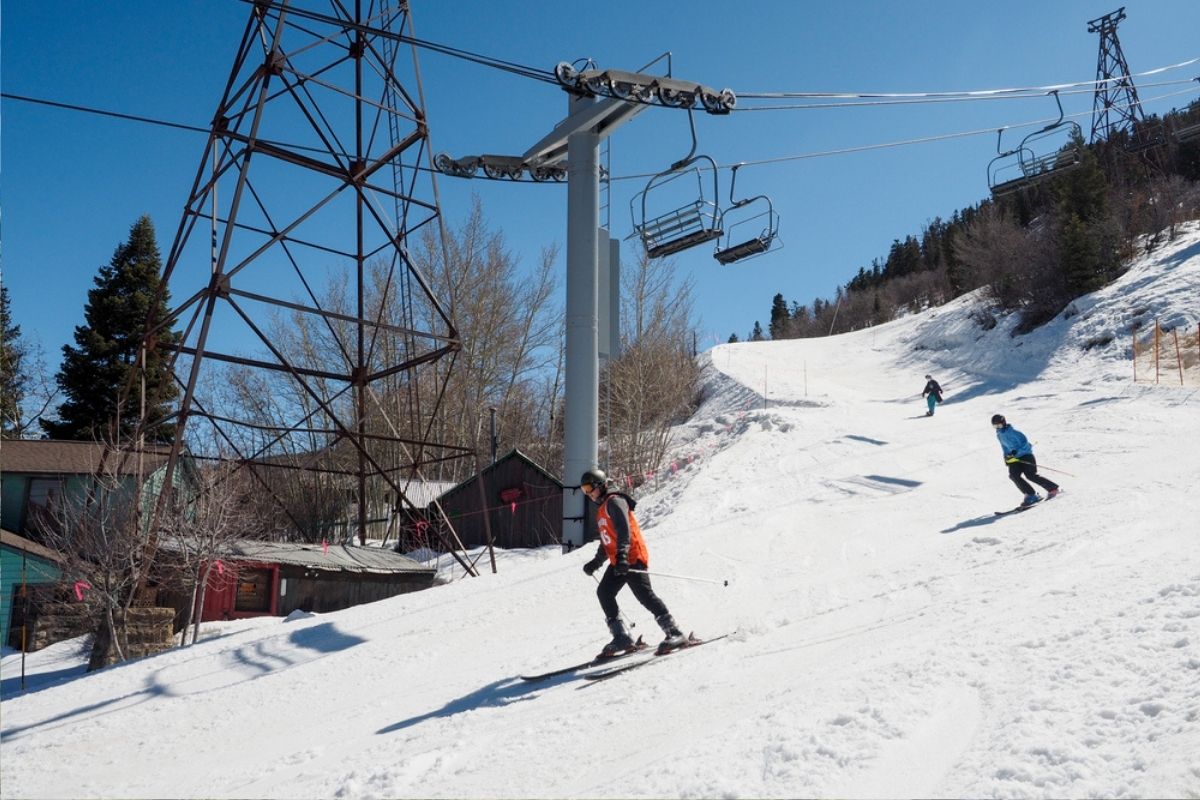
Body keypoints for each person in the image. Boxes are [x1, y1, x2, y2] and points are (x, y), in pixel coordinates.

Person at [579, 468, 687, 657]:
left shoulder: (615, 501)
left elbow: (624, 530)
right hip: (619, 561)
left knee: (644, 594)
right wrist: (596, 562)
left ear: (601, 485)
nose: (588, 494)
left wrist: (622, 555)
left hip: (632, 557)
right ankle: (622, 637)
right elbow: (607, 541)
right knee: (604, 592)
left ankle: (675, 632)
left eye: (589, 488)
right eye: (584, 490)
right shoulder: (602, 509)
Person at [991, 414, 1061, 506]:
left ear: (1004, 423)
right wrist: (1006, 457)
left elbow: (1026, 445)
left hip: (1026, 455)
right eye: (995, 426)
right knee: (1013, 476)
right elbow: (1004, 447)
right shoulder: (999, 435)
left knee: (1030, 475)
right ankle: (1031, 495)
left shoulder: (1014, 433)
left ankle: (1053, 489)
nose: (997, 428)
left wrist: (1016, 452)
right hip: (1014, 459)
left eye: (999, 425)